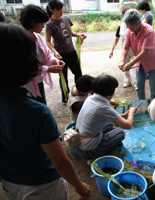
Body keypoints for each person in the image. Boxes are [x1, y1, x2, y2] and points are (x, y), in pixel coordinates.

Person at [0, 23, 90, 200]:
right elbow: (60, 162)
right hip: (42, 185)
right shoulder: (37, 112)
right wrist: (78, 185)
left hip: (9, 182)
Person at [75, 74, 137, 163]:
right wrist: (131, 112)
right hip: (89, 151)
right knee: (120, 133)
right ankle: (97, 157)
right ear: (111, 92)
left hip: (78, 143)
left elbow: (100, 116)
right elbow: (128, 125)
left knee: (109, 124)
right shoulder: (103, 107)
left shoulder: (89, 99)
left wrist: (121, 115)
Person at [20, 4, 65, 104]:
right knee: (34, 109)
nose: (43, 26)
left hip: (38, 80)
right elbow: (25, 66)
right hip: (25, 84)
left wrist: (54, 61)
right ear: (32, 22)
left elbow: (47, 55)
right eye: (41, 23)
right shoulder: (20, 39)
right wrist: (48, 69)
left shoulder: (37, 37)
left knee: (41, 106)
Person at [46, 0, 87, 104]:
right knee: (63, 76)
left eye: (62, 8)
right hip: (61, 54)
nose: (61, 11)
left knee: (78, 73)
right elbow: (48, 41)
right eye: (58, 9)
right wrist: (55, 52)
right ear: (51, 10)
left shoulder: (66, 19)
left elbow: (70, 32)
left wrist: (78, 35)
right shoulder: (50, 25)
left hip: (71, 51)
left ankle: (80, 92)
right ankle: (65, 98)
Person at [119, 9, 155, 100]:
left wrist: (130, 64)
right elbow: (125, 47)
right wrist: (122, 60)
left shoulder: (148, 30)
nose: (129, 28)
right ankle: (142, 105)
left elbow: (144, 51)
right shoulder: (129, 31)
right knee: (138, 86)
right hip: (139, 62)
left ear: (138, 23)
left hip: (152, 61)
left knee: (153, 88)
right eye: (128, 26)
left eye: (131, 26)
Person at [109, 7, 134, 88]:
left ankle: (137, 81)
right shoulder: (121, 26)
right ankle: (128, 81)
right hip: (124, 47)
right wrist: (112, 50)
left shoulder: (135, 25)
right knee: (124, 66)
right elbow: (116, 38)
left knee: (137, 66)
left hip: (134, 48)